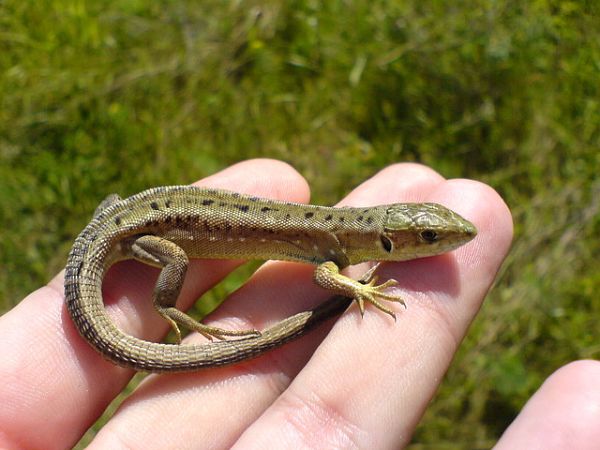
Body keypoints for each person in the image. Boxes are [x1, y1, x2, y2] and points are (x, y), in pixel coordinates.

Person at [0, 159, 597, 448]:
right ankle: (173, 316)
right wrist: (360, 287)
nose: (447, 242)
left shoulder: (336, 233)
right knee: (178, 262)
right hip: (134, 235)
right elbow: (331, 279)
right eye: (431, 239)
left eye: (432, 235)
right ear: (389, 241)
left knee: (132, 219)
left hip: (121, 217)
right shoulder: (335, 248)